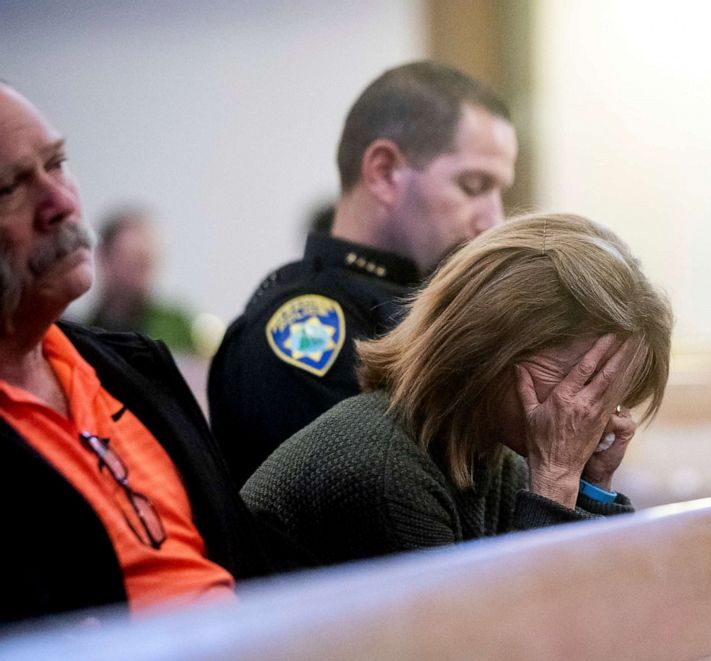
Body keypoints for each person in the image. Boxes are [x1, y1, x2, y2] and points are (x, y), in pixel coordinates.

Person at [242, 213, 673, 567]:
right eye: (584, 384)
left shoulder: (492, 454)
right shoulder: (386, 470)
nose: (593, 417)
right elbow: (505, 643)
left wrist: (590, 484)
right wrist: (557, 481)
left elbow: (602, 618)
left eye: (610, 398)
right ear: (494, 346)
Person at [0, 83, 271, 624]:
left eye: (58, 164)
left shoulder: (137, 367)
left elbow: (251, 568)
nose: (61, 203)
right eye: (10, 189)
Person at [209, 60, 518, 485]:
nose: (494, 222)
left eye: (500, 191)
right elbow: (398, 520)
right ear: (385, 172)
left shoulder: (426, 314)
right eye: (473, 185)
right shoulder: (308, 331)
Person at [86, 207, 198, 355]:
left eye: (147, 264)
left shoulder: (177, 326)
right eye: (133, 262)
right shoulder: (79, 330)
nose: (143, 277)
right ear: (103, 257)